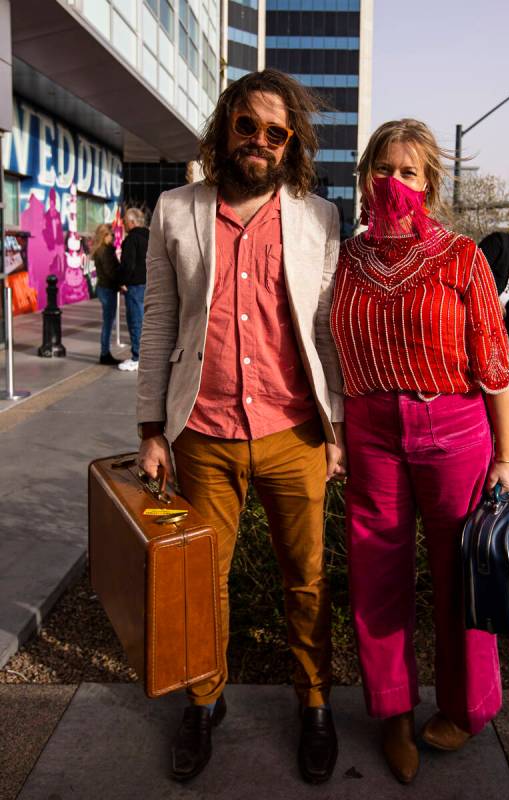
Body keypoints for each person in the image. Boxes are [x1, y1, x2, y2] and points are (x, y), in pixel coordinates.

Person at [136, 69, 345, 784]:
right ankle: (203, 700)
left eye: (275, 132)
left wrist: (337, 427)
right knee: (203, 581)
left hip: (296, 434)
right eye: (247, 125)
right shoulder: (173, 209)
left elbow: (325, 328)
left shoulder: (319, 218)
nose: (259, 141)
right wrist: (151, 427)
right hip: (203, 433)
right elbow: (159, 320)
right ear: (226, 127)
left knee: (307, 581)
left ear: (293, 144)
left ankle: (314, 704)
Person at [329, 119, 509, 784]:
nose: (394, 183)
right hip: (371, 429)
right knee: (376, 574)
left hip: (455, 429)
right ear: (366, 178)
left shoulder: (462, 257)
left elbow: (494, 365)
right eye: (383, 169)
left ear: (430, 185)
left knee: (460, 576)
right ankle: (393, 712)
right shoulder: (345, 262)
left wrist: (506, 458)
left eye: (408, 172)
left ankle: (468, 705)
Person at [117, 207, 149, 371]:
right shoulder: (151, 237)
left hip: (135, 286)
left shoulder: (131, 240)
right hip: (150, 285)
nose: (123, 224)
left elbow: (127, 264)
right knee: (149, 322)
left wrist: (122, 281)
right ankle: (147, 356)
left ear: (131, 222)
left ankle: (137, 357)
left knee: (136, 321)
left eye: (124, 221)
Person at [92, 223, 121, 366]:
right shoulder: (105, 251)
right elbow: (111, 271)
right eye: (112, 235)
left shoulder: (102, 250)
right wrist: (121, 283)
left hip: (105, 288)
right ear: (105, 236)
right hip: (107, 289)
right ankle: (104, 354)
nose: (113, 237)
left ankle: (105, 352)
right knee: (108, 323)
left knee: (108, 322)